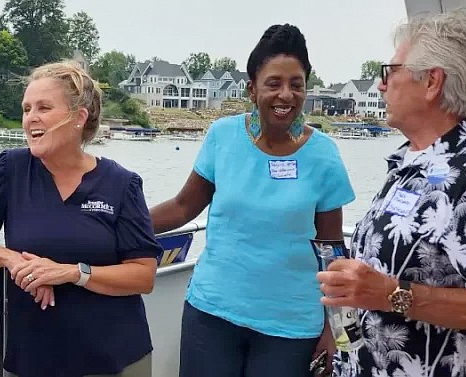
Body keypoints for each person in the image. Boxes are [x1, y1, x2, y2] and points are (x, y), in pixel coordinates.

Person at [316, 10, 466, 377]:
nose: (381, 86)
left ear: (432, 82)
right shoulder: (407, 164)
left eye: (389, 73)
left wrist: (390, 294)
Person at [150, 24, 355, 377]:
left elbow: (332, 249)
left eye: (296, 84)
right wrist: (115, 221)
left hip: (291, 327)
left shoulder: (324, 155)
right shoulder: (223, 136)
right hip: (212, 314)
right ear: (251, 89)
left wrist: (336, 332)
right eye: (274, 83)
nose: (286, 95)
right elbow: (184, 207)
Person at [0, 60, 163, 377]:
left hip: (115, 360)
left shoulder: (121, 184)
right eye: (27, 108)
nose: (31, 117)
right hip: (33, 360)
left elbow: (144, 275)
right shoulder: (11, 170)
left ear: (79, 117)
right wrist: (13, 260)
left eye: (44, 108)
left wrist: (72, 273)